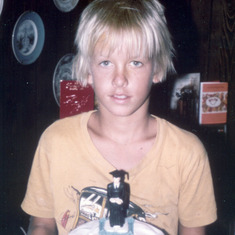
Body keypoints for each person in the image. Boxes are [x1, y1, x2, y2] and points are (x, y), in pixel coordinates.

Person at [21, 0, 217, 234]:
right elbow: (41, 223)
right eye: (105, 62)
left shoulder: (188, 154)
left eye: (135, 62)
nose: (119, 79)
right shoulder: (55, 141)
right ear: (87, 70)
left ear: (157, 68)